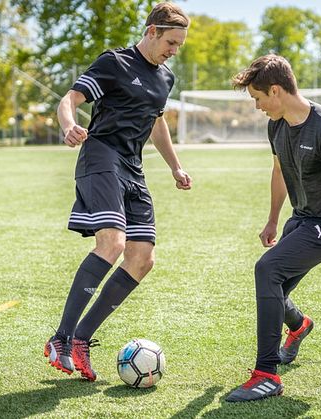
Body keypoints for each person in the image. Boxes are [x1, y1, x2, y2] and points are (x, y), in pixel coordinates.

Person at [45, 2, 192, 382]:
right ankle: (59, 339)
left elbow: (156, 123)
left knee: (143, 259)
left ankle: (81, 340)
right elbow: (70, 99)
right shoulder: (115, 62)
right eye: (171, 42)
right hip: (101, 156)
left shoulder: (166, 78)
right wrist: (68, 125)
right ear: (151, 32)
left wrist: (175, 166)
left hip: (133, 168)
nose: (174, 50)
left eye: (179, 45)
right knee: (112, 243)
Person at [225, 54, 321, 402]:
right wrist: (274, 218)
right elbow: (279, 171)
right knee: (276, 288)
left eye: (258, 99)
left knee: (267, 269)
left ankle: (266, 375)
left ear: (275, 91)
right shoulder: (276, 124)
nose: (257, 107)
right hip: (304, 217)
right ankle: (299, 325)